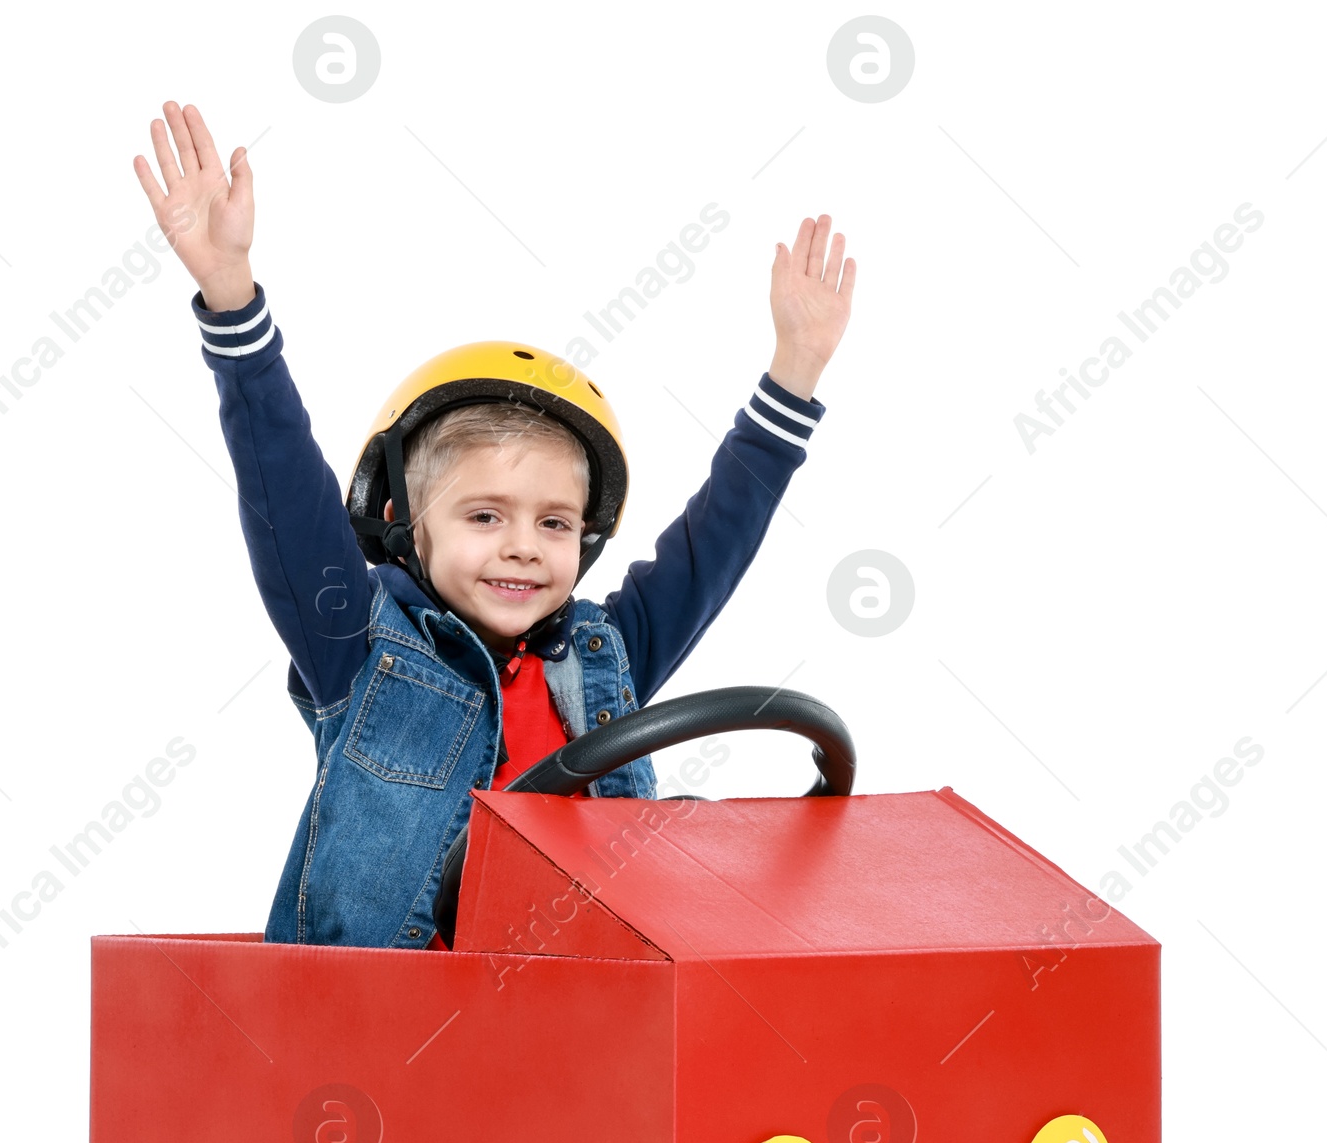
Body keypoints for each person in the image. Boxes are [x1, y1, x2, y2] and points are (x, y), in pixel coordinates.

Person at [134, 102, 856, 949]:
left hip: (581, 1026)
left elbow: (710, 550)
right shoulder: (358, 648)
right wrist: (232, 302)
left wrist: (794, 375)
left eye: (555, 522)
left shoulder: (605, 660)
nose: (523, 544)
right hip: (382, 1039)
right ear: (404, 520)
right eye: (485, 515)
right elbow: (283, 489)